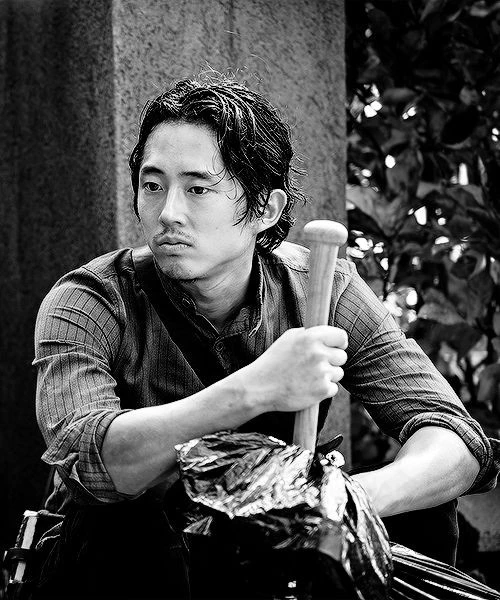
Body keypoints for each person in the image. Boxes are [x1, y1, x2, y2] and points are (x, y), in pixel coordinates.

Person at [33, 74, 498, 597]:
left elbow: (457, 440)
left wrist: (341, 503)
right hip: (125, 571)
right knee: (122, 522)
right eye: (153, 185)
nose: (168, 213)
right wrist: (255, 388)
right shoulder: (89, 302)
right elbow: (91, 461)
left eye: (198, 189)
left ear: (265, 208)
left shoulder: (321, 287)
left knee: (420, 508)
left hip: (256, 559)